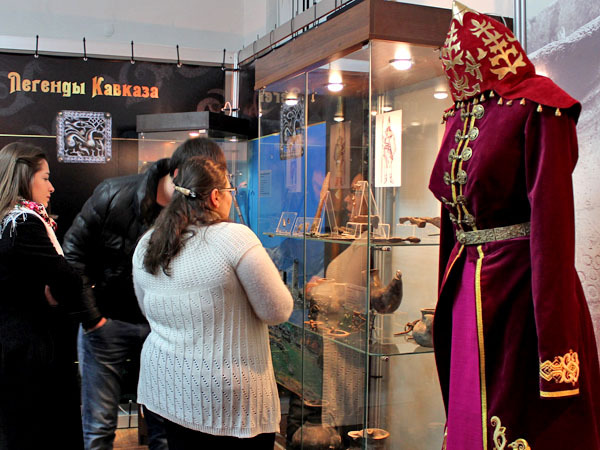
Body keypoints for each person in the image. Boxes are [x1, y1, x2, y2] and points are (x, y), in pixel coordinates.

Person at [429, 2, 600, 448]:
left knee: (520, 414)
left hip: (522, 293)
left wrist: (556, 348)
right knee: (468, 409)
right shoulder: (458, 116)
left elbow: (553, 229)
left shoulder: (540, 107)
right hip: (466, 288)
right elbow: (452, 225)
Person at [63, 137, 227, 450]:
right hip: (106, 325)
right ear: (178, 174)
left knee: (164, 430)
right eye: (203, 182)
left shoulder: (198, 210)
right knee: (98, 430)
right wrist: (93, 319)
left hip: (164, 333)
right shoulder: (113, 193)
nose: (210, 194)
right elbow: (72, 254)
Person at [132, 156, 293, 449]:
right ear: (216, 196)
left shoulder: (148, 242)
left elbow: (149, 310)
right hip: (225, 399)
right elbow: (278, 310)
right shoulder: (234, 238)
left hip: (169, 387)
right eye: (230, 191)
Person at [0, 143, 99, 449]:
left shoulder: (7, 221)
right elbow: (69, 280)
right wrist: (61, 289)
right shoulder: (24, 223)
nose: (52, 187)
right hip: (31, 352)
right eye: (45, 178)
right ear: (23, 177)